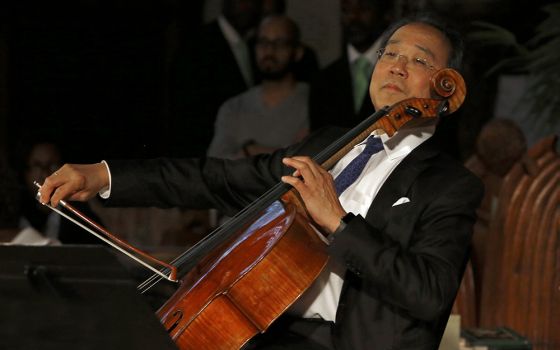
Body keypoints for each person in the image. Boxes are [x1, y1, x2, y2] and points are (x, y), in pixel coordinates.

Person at [39, 14, 483, 350]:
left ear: (445, 87)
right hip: (266, 329)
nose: (397, 67)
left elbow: (428, 293)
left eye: (419, 60)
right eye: (390, 53)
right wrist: (103, 175)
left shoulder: (450, 185)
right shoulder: (330, 143)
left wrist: (339, 221)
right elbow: (216, 178)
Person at [168, 0, 263, 157]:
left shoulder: (254, 44)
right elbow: (187, 113)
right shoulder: (198, 45)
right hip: (206, 154)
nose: (248, 6)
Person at [207, 15, 309, 159]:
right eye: (263, 42)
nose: (269, 50)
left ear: (297, 51)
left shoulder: (314, 102)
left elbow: (312, 159)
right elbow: (214, 167)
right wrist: (281, 153)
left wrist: (250, 151)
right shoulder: (233, 108)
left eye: (279, 43)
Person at [309, 0, 393, 131]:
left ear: (385, 15)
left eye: (364, 9)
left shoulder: (398, 72)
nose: (353, 17)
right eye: (346, 10)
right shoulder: (323, 79)